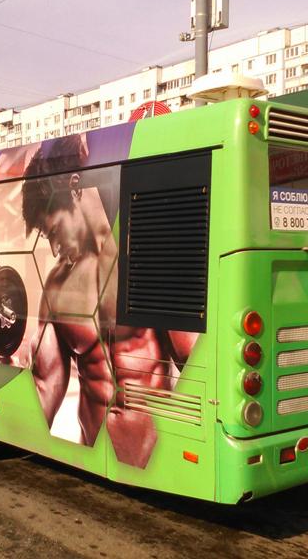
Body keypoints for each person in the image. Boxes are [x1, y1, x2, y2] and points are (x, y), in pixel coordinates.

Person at [21, 135, 197, 468]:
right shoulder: (56, 288)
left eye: (54, 231)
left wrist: (181, 443)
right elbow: (45, 384)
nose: (54, 248)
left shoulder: (144, 259)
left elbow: (194, 358)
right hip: (93, 449)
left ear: (75, 186)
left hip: (155, 456)